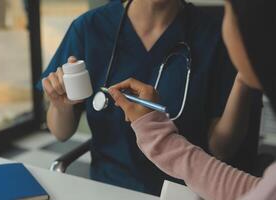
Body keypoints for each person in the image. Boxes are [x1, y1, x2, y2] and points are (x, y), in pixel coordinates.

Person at [38, 0, 247, 195]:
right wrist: (60, 106)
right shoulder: (90, 28)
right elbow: (61, 133)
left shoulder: (214, 36)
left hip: (183, 191)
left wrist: (244, 80)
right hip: (107, 189)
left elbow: (222, 149)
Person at [108, 0, 276, 199]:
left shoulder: (209, 35)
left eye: (228, 11)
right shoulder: (91, 26)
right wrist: (155, 133)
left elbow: (225, 151)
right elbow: (249, 188)